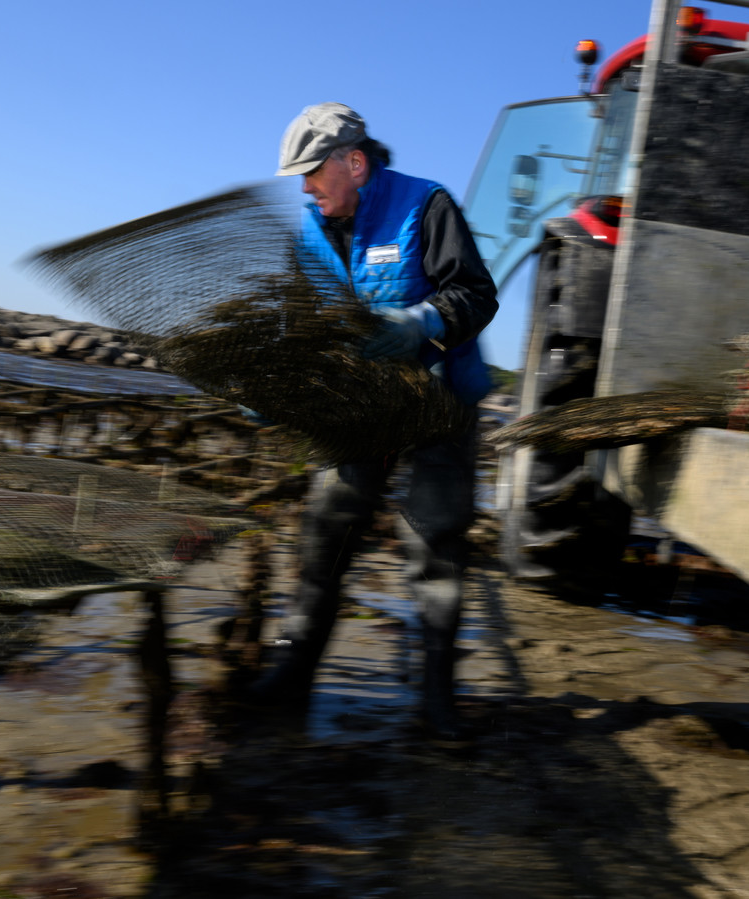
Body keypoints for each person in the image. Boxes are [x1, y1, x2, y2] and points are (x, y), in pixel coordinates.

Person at [247, 102, 498, 747]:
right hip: (361, 406)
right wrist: (274, 383)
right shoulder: (308, 230)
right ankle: (295, 668)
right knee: (327, 525)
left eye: (311, 173)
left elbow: (475, 293)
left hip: (440, 404)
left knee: (433, 543)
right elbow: (297, 327)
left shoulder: (425, 205)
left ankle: (439, 697)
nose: (304, 188)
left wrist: (421, 322)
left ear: (353, 164)